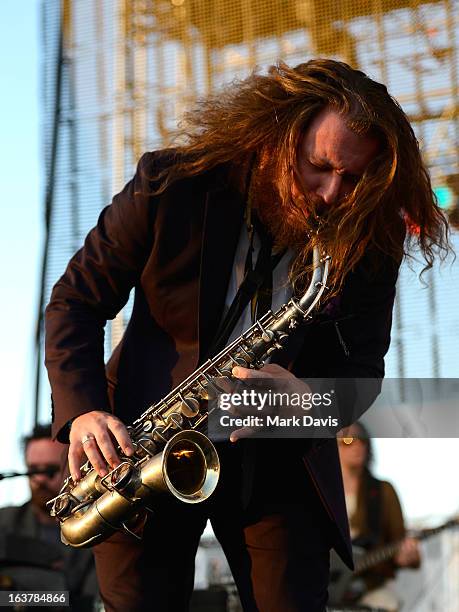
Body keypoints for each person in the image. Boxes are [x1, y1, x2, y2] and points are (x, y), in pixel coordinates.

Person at [44, 59, 448, 611]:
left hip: (276, 453)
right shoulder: (173, 183)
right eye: (318, 167)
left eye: (353, 179)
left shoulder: (368, 241)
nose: (332, 194)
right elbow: (74, 302)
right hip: (143, 448)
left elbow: (363, 375)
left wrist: (308, 401)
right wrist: (85, 413)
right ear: (281, 134)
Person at [0, 424, 98, 611]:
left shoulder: (96, 528)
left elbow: (91, 603)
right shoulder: (3, 521)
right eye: (32, 470)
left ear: (75, 465)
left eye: (50, 471)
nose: (40, 480)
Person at [336, 422, 420, 611]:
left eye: (363, 440)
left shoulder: (383, 491)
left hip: (370, 587)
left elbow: (400, 542)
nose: (358, 446)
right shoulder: (323, 494)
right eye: (348, 440)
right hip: (325, 588)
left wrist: (409, 556)